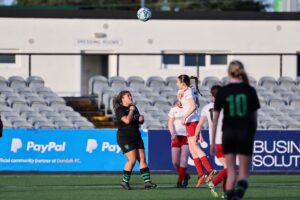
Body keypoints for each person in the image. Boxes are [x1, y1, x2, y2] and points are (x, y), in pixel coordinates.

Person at [211, 60, 260, 200]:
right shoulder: (250, 90)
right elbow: (254, 119)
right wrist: (252, 135)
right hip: (244, 133)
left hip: (228, 133)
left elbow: (215, 120)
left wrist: (213, 142)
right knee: (244, 174)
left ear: (228, 73)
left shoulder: (223, 91)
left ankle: (231, 197)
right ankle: (237, 196)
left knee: (231, 172)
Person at [176, 74, 216, 187]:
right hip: (191, 122)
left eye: (177, 82)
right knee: (192, 150)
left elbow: (193, 106)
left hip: (192, 122)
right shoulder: (190, 90)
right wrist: (180, 99)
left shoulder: (188, 92)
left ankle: (209, 169)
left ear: (183, 83)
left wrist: (184, 117)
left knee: (195, 147)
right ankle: (201, 174)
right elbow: (191, 104)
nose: (176, 84)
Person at [113, 90, 157, 190]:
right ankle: (124, 182)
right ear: (122, 99)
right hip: (125, 138)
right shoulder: (120, 109)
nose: (130, 97)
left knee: (142, 159)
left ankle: (147, 182)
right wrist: (132, 110)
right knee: (132, 159)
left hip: (136, 136)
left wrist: (141, 119)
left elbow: (138, 120)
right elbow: (127, 121)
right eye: (128, 96)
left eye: (130, 96)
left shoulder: (134, 107)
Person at [195, 85, 227, 198]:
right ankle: (213, 183)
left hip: (215, 143)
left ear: (212, 95)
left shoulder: (207, 107)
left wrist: (195, 136)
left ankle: (225, 193)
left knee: (226, 168)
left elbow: (199, 124)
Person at [168, 91, 190, 188]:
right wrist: (173, 133)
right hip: (176, 136)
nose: (181, 96)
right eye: (179, 94)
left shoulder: (190, 108)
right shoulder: (174, 109)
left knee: (184, 160)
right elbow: (170, 123)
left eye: (183, 94)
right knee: (175, 162)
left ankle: (179, 182)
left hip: (187, 136)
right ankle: (185, 175)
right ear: (177, 96)